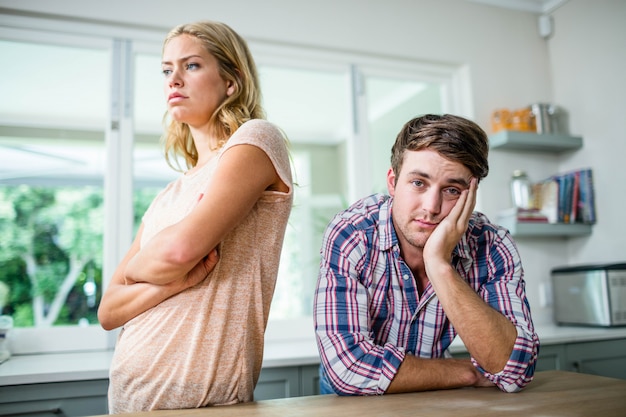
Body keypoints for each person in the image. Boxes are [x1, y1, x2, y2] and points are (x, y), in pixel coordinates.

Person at [97, 21, 293, 413]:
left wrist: (142, 269)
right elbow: (107, 311)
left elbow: (179, 251)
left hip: (205, 400)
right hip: (129, 396)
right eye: (168, 69)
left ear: (232, 82)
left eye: (191, 66)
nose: (174, 80)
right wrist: (167, 286)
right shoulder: (169, 195)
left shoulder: (256, 140)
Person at [314, 114, 539, 396]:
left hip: (431, 394)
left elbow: (516, 371)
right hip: (351, 401)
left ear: (471, 197)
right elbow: (348, 370)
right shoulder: (353, 233)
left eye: (452, 190)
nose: (432, 207)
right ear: (393, 183)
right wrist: (469, 372)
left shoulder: (492, 245)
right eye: (419, 183)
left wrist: (439, 265)